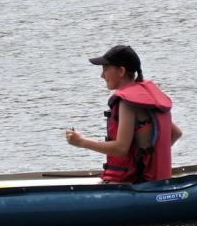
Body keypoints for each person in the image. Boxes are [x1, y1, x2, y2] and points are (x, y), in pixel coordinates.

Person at [66, 44, 183, 183]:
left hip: (138, 184)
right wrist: (151, 157)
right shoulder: (145, 98)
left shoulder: (127, 103)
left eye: (105, 69)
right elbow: (176, 133)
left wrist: (81, 142)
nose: (102, 75)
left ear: (121, 71)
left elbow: (121, 148)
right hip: (157, 181)